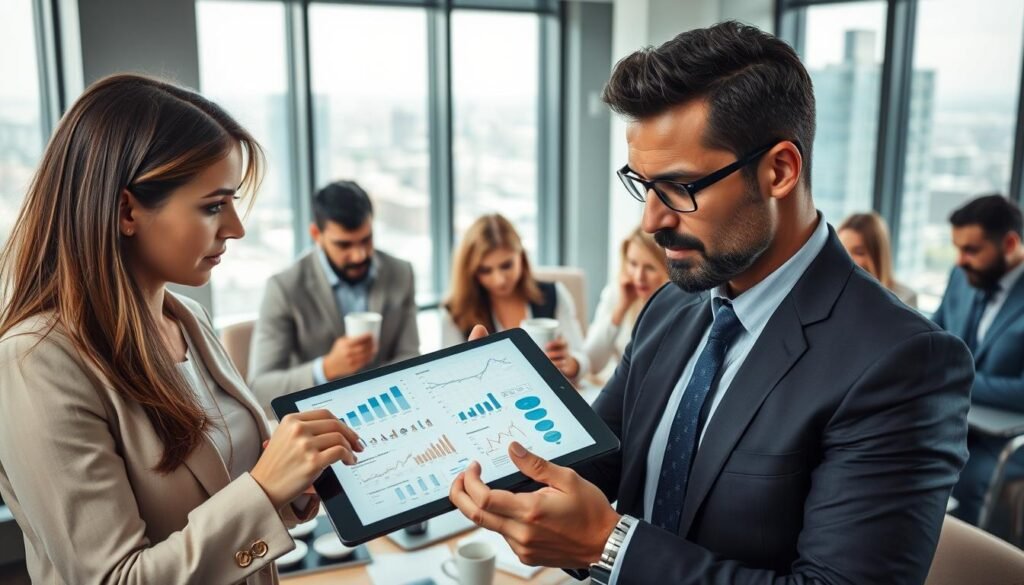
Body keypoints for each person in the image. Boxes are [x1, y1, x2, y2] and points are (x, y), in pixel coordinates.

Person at [447, 22, 972, 584]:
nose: (651, 220)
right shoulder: (671, 306)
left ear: (779, 171)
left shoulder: (903, 362)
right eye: (641, 184)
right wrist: (502, 416)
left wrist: (610, 547)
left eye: (679, 188)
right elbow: (595, 466)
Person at [0, 74, 363, 585]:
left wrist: (294, 481)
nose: (236, 227)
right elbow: (113, 578)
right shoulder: (35, 362)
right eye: (214, 205)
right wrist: (264, 487)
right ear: (127, 210)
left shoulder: (190, 320)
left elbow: (223, 501)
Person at [248, 180, 419, 411]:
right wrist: (326, 368)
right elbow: (260, 389)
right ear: (316, 234)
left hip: (387, 407)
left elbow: (410, 355)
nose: (359, 255)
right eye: (344, 245)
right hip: (321, 416)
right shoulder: (284, 288)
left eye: (366, 240)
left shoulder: (401, 273)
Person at [932, 194, 1024, 526]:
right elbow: (934, 337)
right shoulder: (964, 277)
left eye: (971, 250)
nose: (959, 260)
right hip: (954, 418)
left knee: (967, 476)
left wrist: (957, 378)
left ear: (1010, 243)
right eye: (957, 248)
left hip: (1005, 440)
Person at [442, 214, 588, 381]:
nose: (499, 280)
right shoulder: (455, 311)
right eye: (485, 270)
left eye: (507, 265)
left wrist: (570, 363)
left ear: (522, 256)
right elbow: (450, 375)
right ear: (471, 271)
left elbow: (583, 360)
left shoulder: (554, 294)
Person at [583, 227, 670, 379]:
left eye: (650, 268)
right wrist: (621, 308)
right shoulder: (616, 293)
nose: (638, 277)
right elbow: (591, 363)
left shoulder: (680, 306)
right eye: (633, 263)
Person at [838, 211, 918, 308]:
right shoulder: (832, 293)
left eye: (859, 252)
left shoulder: (905, 298)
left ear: (878, 255)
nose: (847, 258)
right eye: (842, 249)